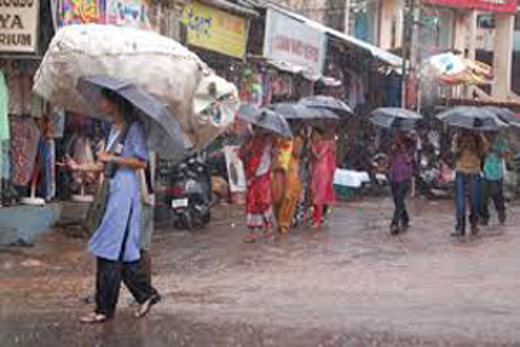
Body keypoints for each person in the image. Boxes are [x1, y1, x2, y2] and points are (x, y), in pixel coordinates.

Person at [72, 89, 160, 323]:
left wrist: (113, 159)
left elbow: (140, 161)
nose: (100, 103)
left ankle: (105, 309)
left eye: (103, 99)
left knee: (111, 249)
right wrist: (79, 168)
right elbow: (105, 165)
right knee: (113, 250)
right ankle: (143, 295)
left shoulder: (134, 129)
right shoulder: (113, 129)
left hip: (126, 193)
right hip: (112, 190)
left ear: (115, 102)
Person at [240, 127, 275, 243]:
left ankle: (268, 229)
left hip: (262, 177)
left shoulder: (267, 141)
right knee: (252, 204)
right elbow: (242, 155)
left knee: (263, 202)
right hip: (253, 177)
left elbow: (271, 157)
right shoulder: (251, 141)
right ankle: (253, 232)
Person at [452, 129, 488, 237]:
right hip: (460, 172)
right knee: (460, 203)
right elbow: (454, 152)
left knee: (474, 202)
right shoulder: (457, 136)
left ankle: (473, 224)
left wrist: (477, 142)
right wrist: (461, 145)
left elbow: (484, 153)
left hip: (474, 172)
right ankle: (460, 227)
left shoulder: (480, 138)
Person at [276, 126, 304, 234]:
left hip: (291, 170)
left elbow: (297, 153)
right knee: (279, 196)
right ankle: (281, 220)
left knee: (289, 196)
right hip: (280, 170)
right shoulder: (278, 139)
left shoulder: (297, 139)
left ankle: (284, 222)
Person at [388, 131, 417, 235]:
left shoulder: (411, 145)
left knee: (400, 199)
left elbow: (409, 160)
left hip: (405, 176)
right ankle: (405, 218)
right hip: (394, 175)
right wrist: (394, 148)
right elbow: (390, 159)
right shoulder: (395, 145)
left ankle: (394, 224)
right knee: (397, 200)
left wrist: (402, 146)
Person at [310, 125, 336, 229]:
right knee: (314, 194)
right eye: (313, 135)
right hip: (315, 171)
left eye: (316, 134)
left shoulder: (326, 144)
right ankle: (316, 217)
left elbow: (319, 156)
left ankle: (317, 219)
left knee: (319, 196)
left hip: (323, 172)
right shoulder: (313, 144)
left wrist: (312, 148)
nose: (314, 137)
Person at [480, 132, 509, 225]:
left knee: (497, 195)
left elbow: (505, 155)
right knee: (483, 197)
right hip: (486, 171)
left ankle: (501, 212)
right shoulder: (482, 139)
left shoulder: (501, 140)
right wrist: (485, 148)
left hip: (497, 172)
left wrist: (494, 149)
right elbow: (481, 154)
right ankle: (484, 217)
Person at [271, 135, 294, 234]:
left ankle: (283, 222)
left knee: (287, 198)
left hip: (288, 172)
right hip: (276, 172)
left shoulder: (293, 142)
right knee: (276, 198)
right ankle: (278, 220)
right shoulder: (274, 141)